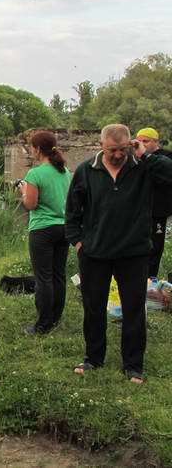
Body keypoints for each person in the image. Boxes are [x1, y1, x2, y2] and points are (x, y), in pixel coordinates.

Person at [66, 124, 172, 384]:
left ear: (130, 145)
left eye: (123, 149)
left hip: (133, 253)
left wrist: (144, 154)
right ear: (101, 145)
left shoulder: (142, 167)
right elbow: (72, 211)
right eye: (112, 150)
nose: (117, 155)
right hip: (95, 254)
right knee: (93, 308)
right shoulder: (86, 171)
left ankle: (133, 365)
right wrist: (78, 243)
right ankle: (93, 358)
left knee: (134, 310)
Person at [18, 130, 71, 334]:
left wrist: (23, 191)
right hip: (64, 227)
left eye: (32, 147)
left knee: (43, 278)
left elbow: (30, 205)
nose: (31, 151)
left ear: (38, 149)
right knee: (59, 275)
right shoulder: (64, 171)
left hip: (42, 229)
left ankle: (42, 325)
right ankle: (56, 318)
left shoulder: (35, 174)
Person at [134, 128, 172, 279]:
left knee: (155, 247)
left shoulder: (165, 157)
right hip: (139, 211)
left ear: (156, 142)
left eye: (146, 141)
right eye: (140, 141)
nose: (142, 144)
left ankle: (151, 279)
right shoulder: (136, 158)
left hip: (158, 211)